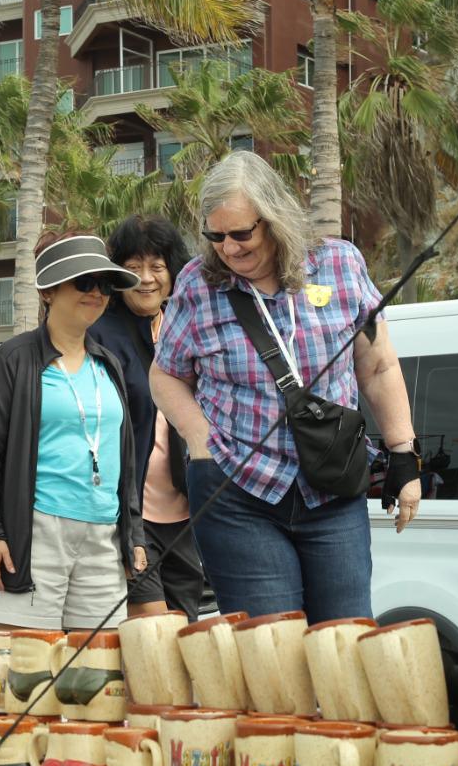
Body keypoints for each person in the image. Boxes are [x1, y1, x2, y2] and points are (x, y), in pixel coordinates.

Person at [150, 151, 422, 622]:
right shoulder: (197, 283)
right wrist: (200, 442)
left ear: (274, 218)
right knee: (273, 649)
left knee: (346, 640)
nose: (229, 249)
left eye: (241, 234)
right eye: (216, 237)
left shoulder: (339, 264)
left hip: (332, 487)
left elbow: (377, 366)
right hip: (237, 488)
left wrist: (403, 455)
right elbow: (166, 373)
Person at [0, 233, 145, 630]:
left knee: (95, 674)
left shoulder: (109, 364)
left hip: (104, 534)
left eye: (104, 284)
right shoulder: (13, 357)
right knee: (28, 672)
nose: (97, 293)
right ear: (49, 291)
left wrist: (134, 535)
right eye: (84, 282)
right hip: (36, 532)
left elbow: (126, 462)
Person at [87, 214, 206, 621]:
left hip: (187, 510)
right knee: (154, 630)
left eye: (157, 266)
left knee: (187, 625)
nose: (146, 278)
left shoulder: (188, 328)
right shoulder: (100, 334)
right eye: (133, 267)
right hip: (130, 512)